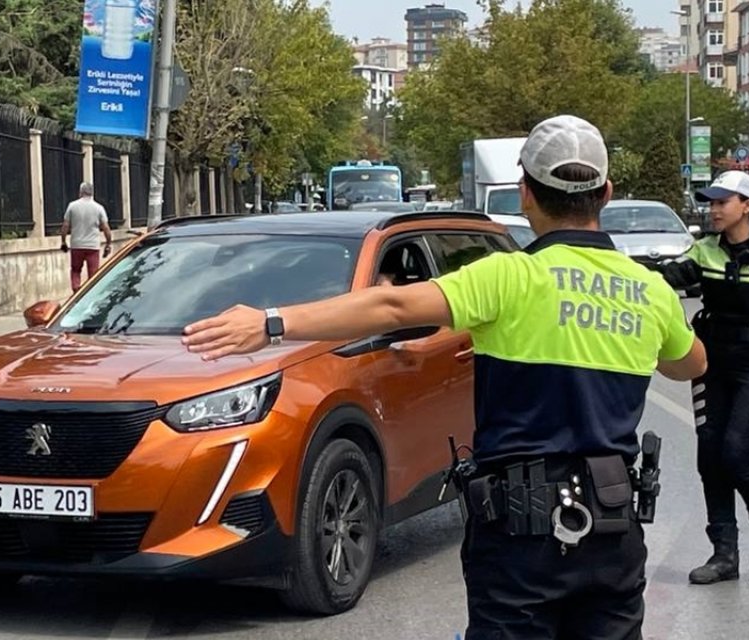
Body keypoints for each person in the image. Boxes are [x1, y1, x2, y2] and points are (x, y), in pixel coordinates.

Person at [180, 115, 707, 639]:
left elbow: (390, 306)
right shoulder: (650, 291)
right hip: (612, 530)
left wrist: (271, 323)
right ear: (606, 192)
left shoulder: (508, 277)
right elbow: (692, 363)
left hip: (520, 536)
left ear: (526, 193)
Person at [650, 170, 749, 585]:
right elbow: (663, 280)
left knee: (737, 455)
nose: (714, 209)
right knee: (710, 456)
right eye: (711, 202)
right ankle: (724, 554)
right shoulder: (703, 252)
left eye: (723, 202)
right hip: (711, 364)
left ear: (747, 206)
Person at [59, 182, 113, 292]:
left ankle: (76, 290)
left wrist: (63, 241)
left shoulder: (72, 206)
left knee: (75, 270)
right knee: (93, 275)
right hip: (93, 246)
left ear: (80, 192)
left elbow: (65, 225)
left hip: (77, 245)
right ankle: (90, 295)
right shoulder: (99, 208)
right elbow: (106, 228)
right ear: (92, 193)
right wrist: (108, 244)